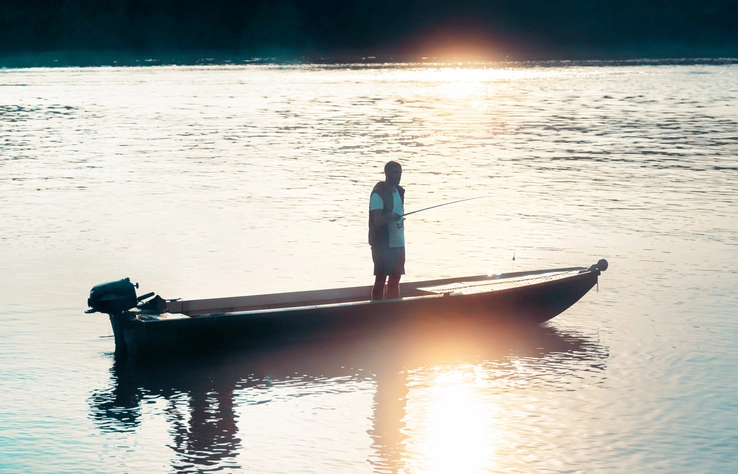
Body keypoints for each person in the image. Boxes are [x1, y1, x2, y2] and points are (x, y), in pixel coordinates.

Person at [368, 161, 405, 300]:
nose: (398, 176)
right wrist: (390, 217)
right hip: (382, 244)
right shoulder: (378, 194)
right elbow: (377, 220)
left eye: (400, 173)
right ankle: (377, 309)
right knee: (381, 278)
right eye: (395, 173)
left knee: (396, 278)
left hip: (398, 241)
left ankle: (393, 307)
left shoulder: (399, 191)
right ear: (387, 173)